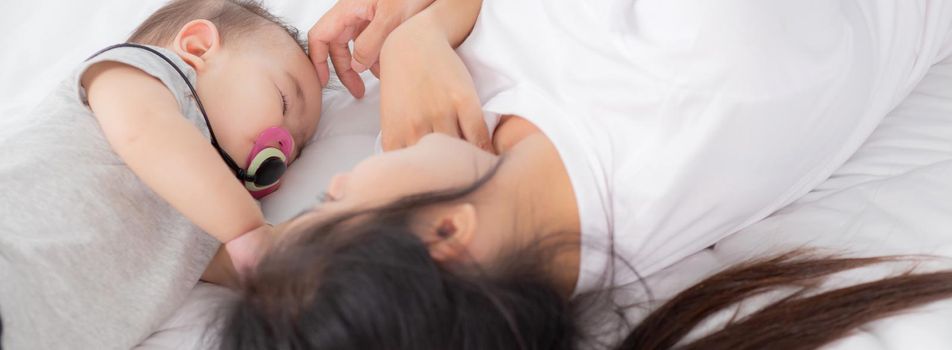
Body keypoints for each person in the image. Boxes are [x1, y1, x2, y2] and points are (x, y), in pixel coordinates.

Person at [221, 0, 952, 348]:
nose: (344, 175)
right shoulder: (710, 76)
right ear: (447, 232)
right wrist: (428, 29)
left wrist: (432, 29)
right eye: (331, 201)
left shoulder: (467, 155)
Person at [0, 0, 323, 348]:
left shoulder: (214, 213)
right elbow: (143, 130)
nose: (283, 144)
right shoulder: (143, 74)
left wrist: (309, 250)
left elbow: (244, 263)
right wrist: (247, 228)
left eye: (296, 149)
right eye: (284, 100)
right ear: (197, 47)